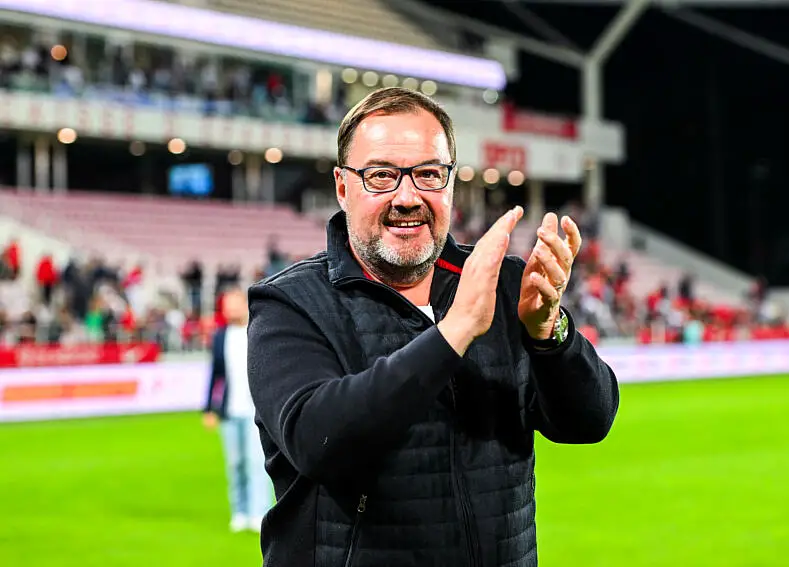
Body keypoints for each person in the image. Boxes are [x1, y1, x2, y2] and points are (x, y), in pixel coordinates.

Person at [247, 87, 619, 567]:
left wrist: (549, 333)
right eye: (381, 176)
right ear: (342, 187)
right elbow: (318, 442)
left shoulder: (503, 283)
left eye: (428, 174)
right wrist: (455, 331)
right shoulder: (290, 303)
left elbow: (590, 422)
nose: (407, 198)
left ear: (450, 183)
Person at [204, 287, 271, 533]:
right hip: (230, 411)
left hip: (256, 412)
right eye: (227, 306)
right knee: (235, 464)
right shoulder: (220, 336)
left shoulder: (257, 331)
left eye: (235, 304)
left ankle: (259, 512)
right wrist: (209, 408)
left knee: (256, 463)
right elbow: (215, 374)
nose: (231, 310)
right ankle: (239, 512)